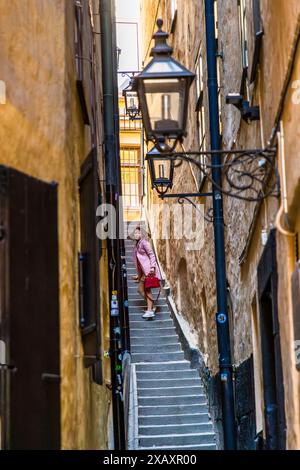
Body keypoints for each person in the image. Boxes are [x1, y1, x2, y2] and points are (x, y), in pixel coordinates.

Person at [132, 226, 161, 319]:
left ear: (142, 234)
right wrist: (139, 275)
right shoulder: (137, 244)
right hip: (143, 272)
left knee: (147, 289)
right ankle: (152, 306)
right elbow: (140, 262)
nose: (136, 234)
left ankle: (150, 311)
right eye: (135, 233)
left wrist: (152, 267)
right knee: (140, 290)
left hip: (148, 270)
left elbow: (151, 254)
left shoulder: (144, 242)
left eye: (138, 233)